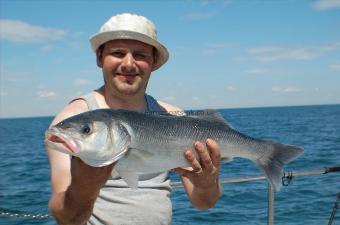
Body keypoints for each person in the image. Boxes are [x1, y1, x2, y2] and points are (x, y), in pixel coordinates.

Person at [47, 13, 223, 225]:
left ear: (154, 62)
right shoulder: (70, 122)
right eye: (118, 53)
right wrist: (84, 188)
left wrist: (206, 184)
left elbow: (204, 203)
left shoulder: (173, 117)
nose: (129, 64)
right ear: (99, 58)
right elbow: (66, 219)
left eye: (140, 55)